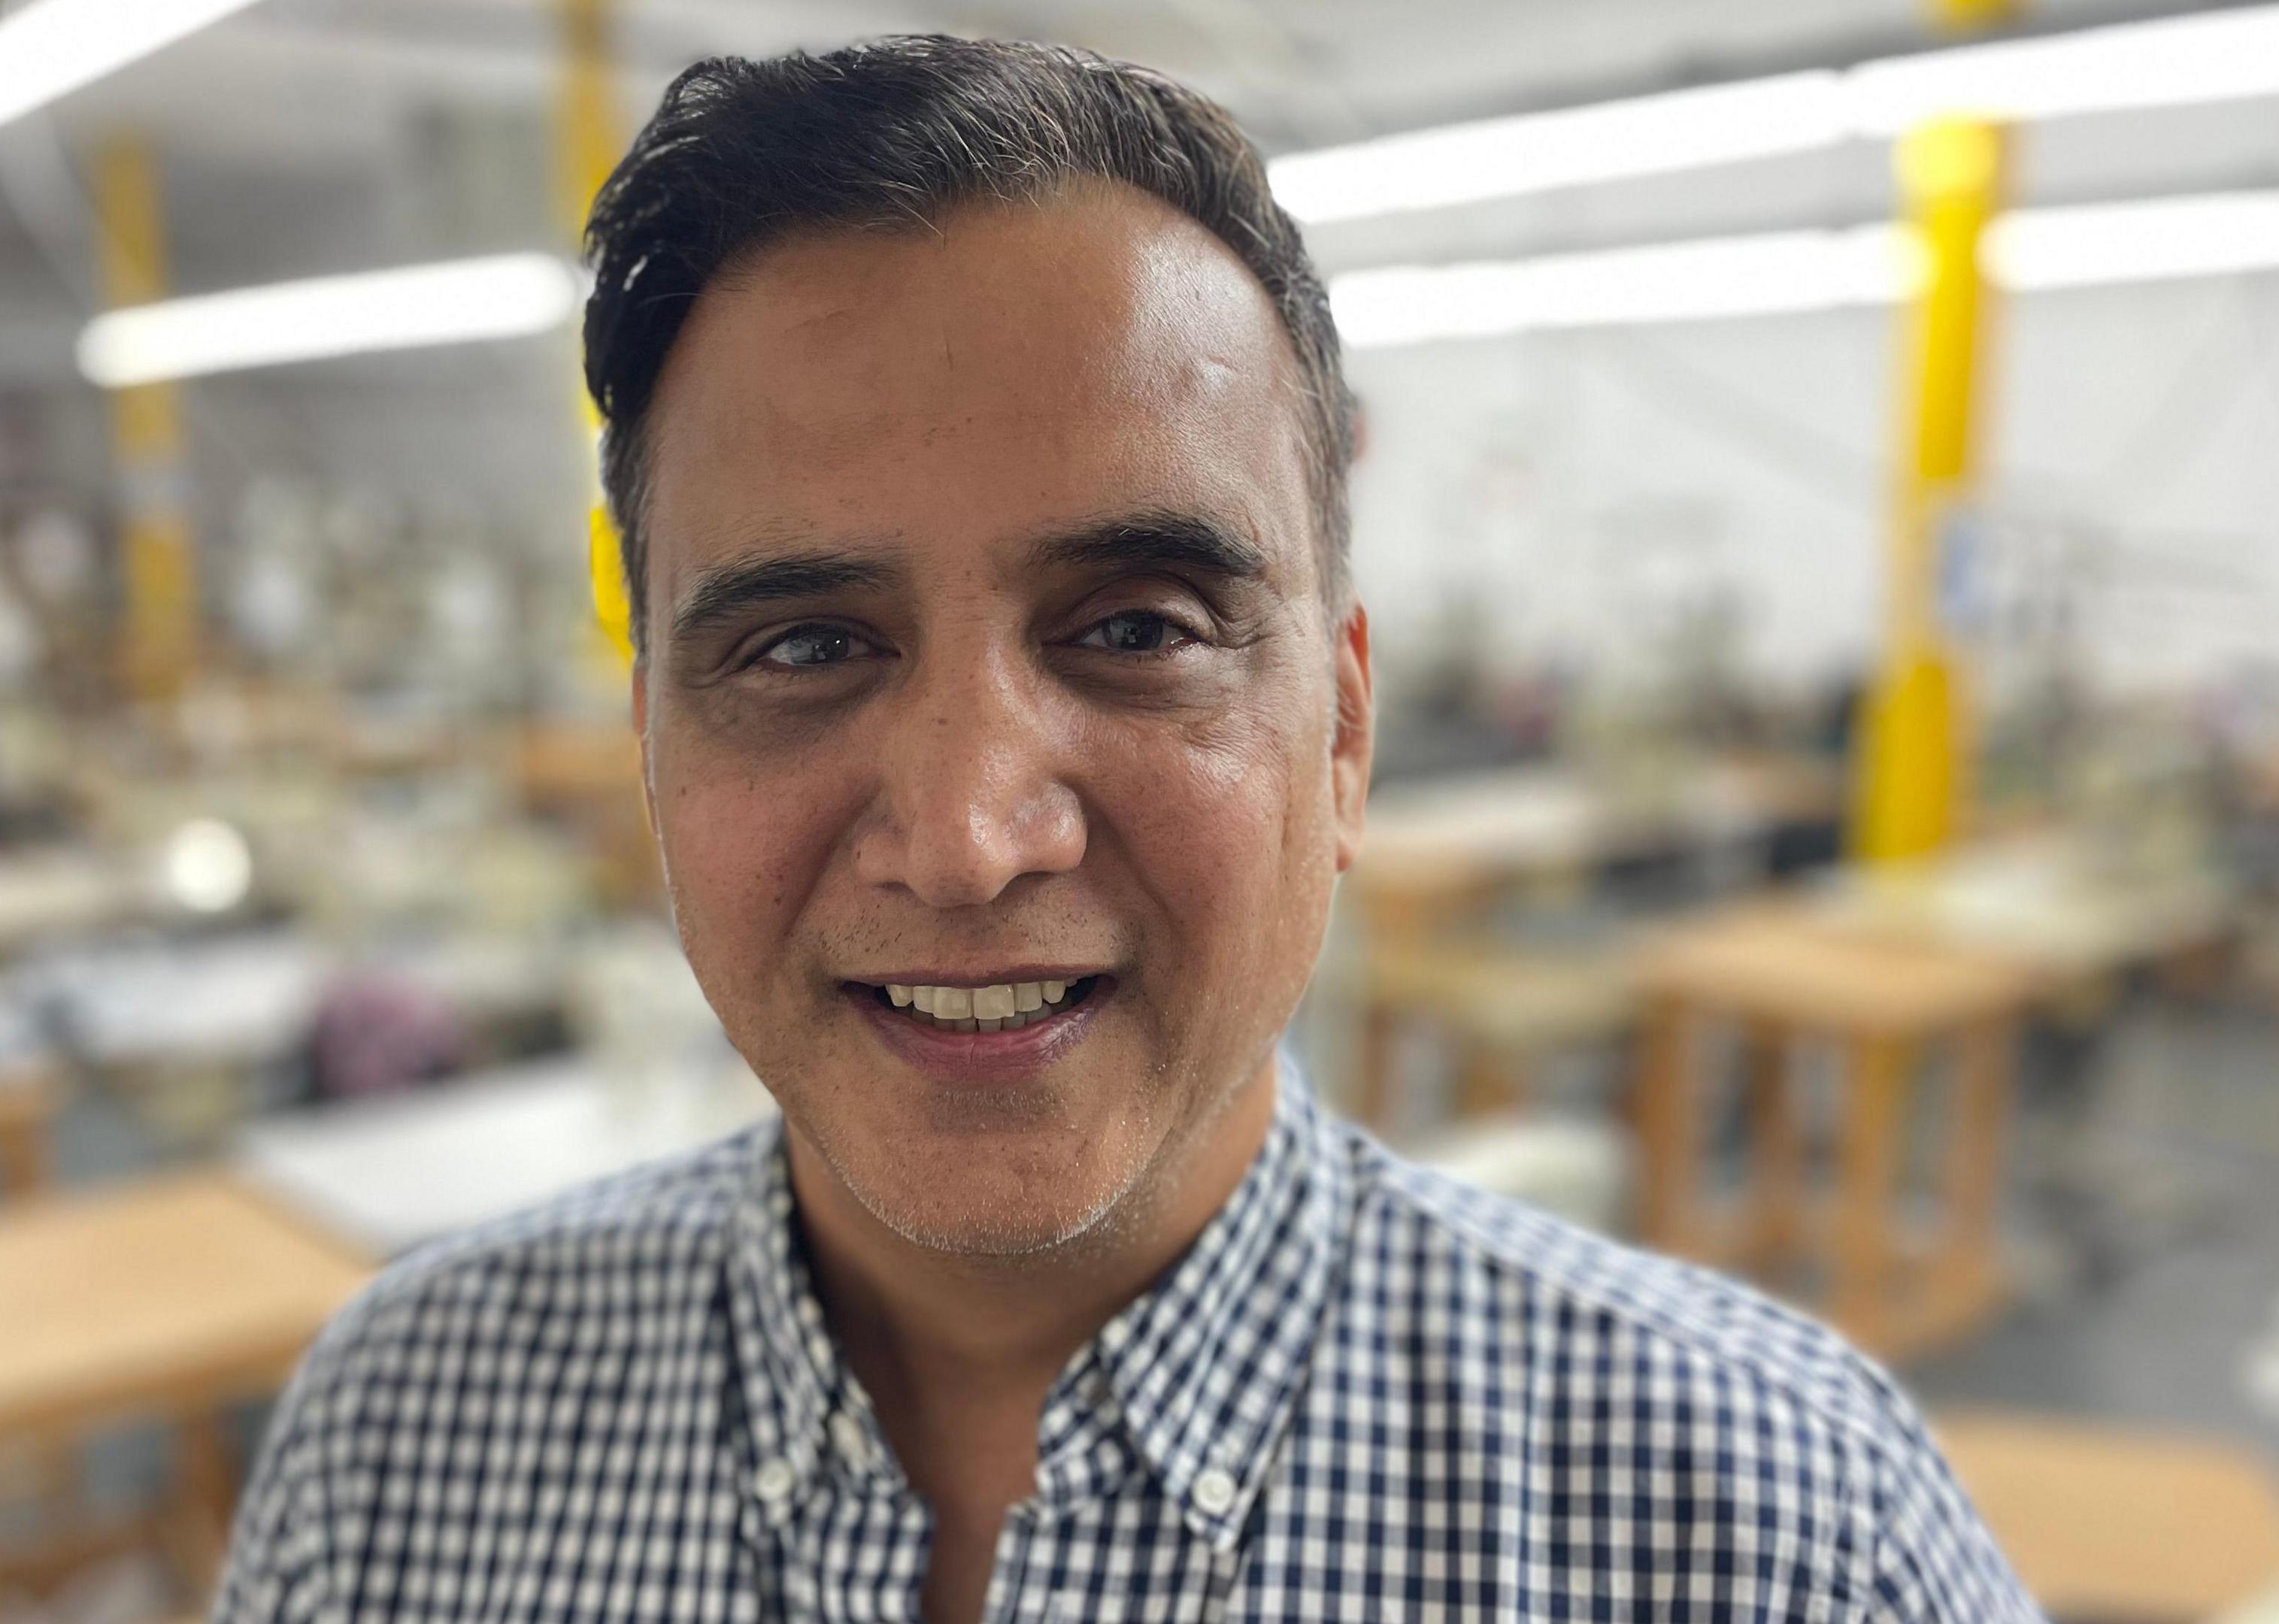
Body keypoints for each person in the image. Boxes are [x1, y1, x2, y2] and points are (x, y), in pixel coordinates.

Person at [216, 35, 2037, 1624]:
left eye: (1140, 629)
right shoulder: (395, 1454)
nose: (969, 838)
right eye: (803, 646)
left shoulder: (1779, 1542)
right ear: (651, 747)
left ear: (1343, 729)